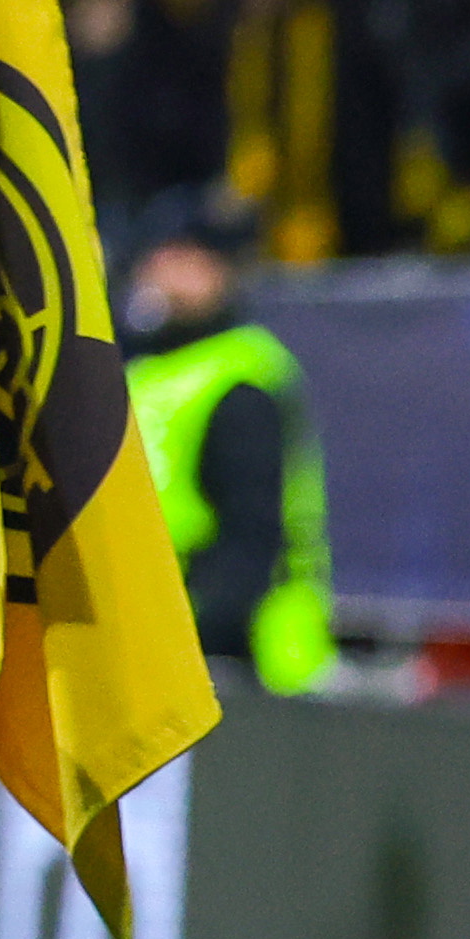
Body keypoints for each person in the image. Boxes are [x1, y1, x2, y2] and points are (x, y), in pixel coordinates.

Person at [121, 194, 332, 693]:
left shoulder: (242, 374)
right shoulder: (148, 368)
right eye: (161, 256)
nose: (166, 274)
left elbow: (253, 535)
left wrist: (199, 635)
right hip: (161, 639)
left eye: (188, 260)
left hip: (249, 656)